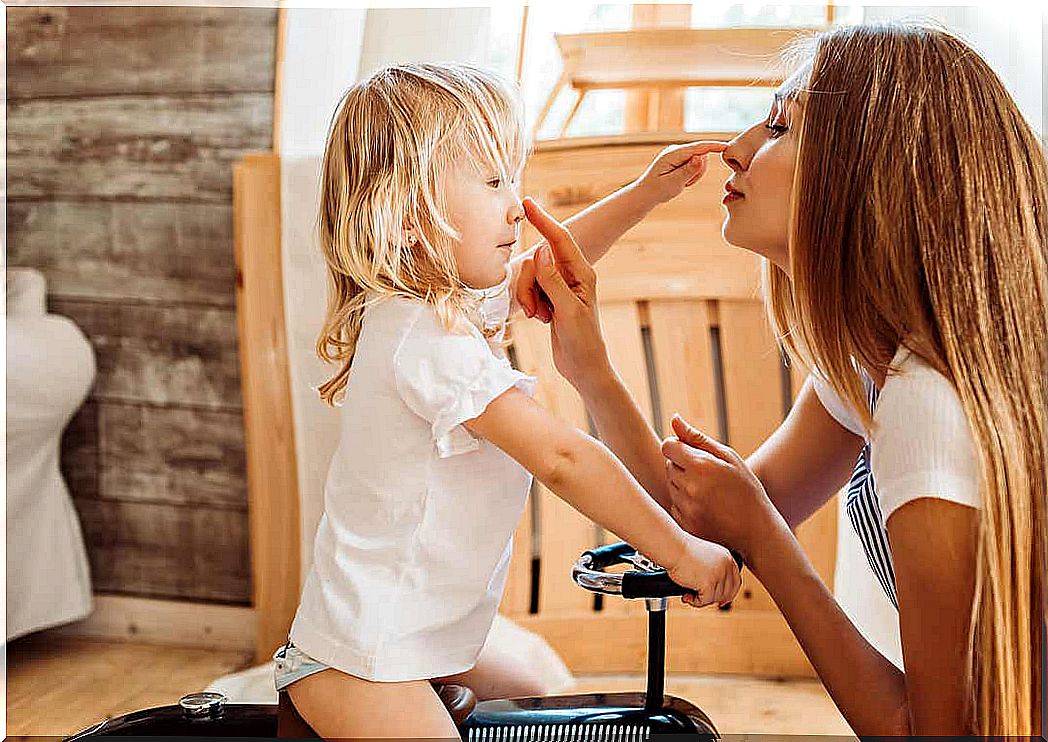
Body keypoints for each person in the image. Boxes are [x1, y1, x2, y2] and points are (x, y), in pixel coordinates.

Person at [516, 22, 1046, 737]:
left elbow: (936, 733)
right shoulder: (867, 369)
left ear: (865, 173)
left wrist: (768, 541)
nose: (734, 148)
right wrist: (591, 369)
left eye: (778, 126)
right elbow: (694, 526)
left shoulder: (928, 404)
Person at [272, 62, 741, 739]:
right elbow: (562, 458)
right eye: (494, 182)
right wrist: (681, 552)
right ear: (409, 218)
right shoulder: (422, 338)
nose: (517, 204)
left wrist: (645, 194)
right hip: (364, 658)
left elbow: (550, 269)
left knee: (545, 696)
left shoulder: (441, 308)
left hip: (421, 638)